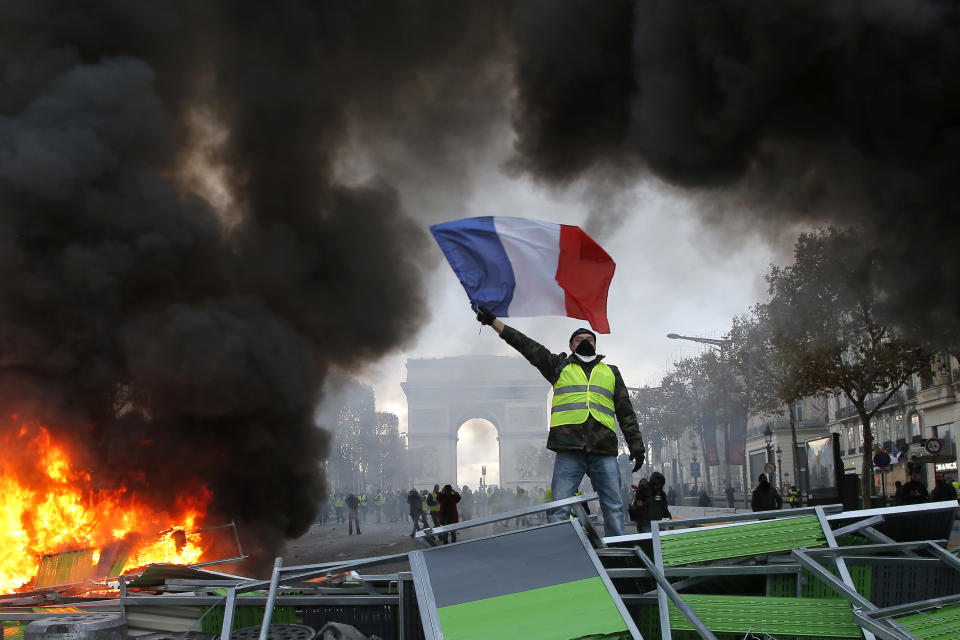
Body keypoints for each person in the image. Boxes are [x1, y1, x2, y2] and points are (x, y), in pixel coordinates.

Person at [475, 308, 645, 537]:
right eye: (579, 339)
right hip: (569, 449)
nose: (585, 341)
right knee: (558, 509)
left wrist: (636, 444)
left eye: (589, 339)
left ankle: (620, 557)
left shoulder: (612, 372)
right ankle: (562, 552)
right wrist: (494, 322)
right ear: (571, 346)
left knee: (613, 508)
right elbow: (526, 345)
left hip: (603, 449)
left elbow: (626, 412)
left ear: (595, 345)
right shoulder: (558, 366)